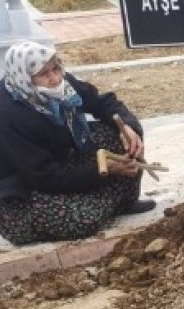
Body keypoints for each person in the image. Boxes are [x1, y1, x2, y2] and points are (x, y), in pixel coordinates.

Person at [0, 41, 153, 246]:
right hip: (26, 190)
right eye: (44, 74)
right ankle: (102, 201)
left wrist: (126, 126)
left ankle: (121, 201)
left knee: (117, 134)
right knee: (83, 220)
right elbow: (43, 176)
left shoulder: (64, 85)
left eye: (55, 69)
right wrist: (102, 170)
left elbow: (103, 102)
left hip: (63, 160)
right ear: (25, 79)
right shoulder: (10, 114)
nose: (54, 79)